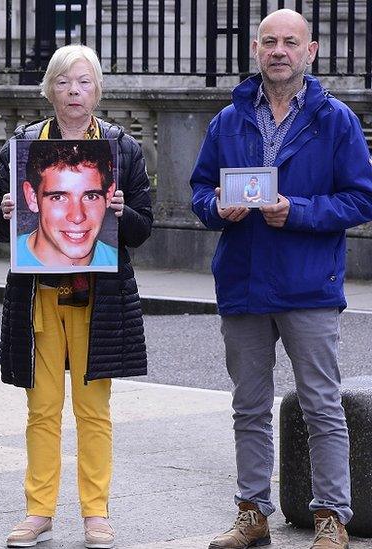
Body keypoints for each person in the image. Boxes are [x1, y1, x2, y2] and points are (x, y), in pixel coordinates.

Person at [190, 10, 372, 549]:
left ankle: (332, 517)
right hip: (244, 280)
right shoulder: (229, 121)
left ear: (310, 51)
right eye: (269, 41)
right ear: (254, 49)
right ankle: (252, 513)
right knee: (248, 405)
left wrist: (298, 210)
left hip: (309, 283)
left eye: (290, 42)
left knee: (321, 403)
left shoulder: (334, 119)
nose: (279, 51)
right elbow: (199, 191)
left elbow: (361, 198)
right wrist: (217, 207)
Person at [0, 44, 152, 549]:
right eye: (63, 82)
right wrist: (8, 210)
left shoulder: (122, 148)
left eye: (83, 82)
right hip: (39, 297)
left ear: (97, 90)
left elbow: (145, 229)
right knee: (42, 409)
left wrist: (123, 213)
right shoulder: (23, 145)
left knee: (93, 409)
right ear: (49, 90)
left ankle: (95, 513)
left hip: (98, 299)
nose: (73, 91)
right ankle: (39, 511)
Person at [16, 139, 118, 268]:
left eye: (91, 197)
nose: (77, 217)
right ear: (32, 197)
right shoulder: (11, 260)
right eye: (58, 197)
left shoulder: (118, 263)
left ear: (108, 196)